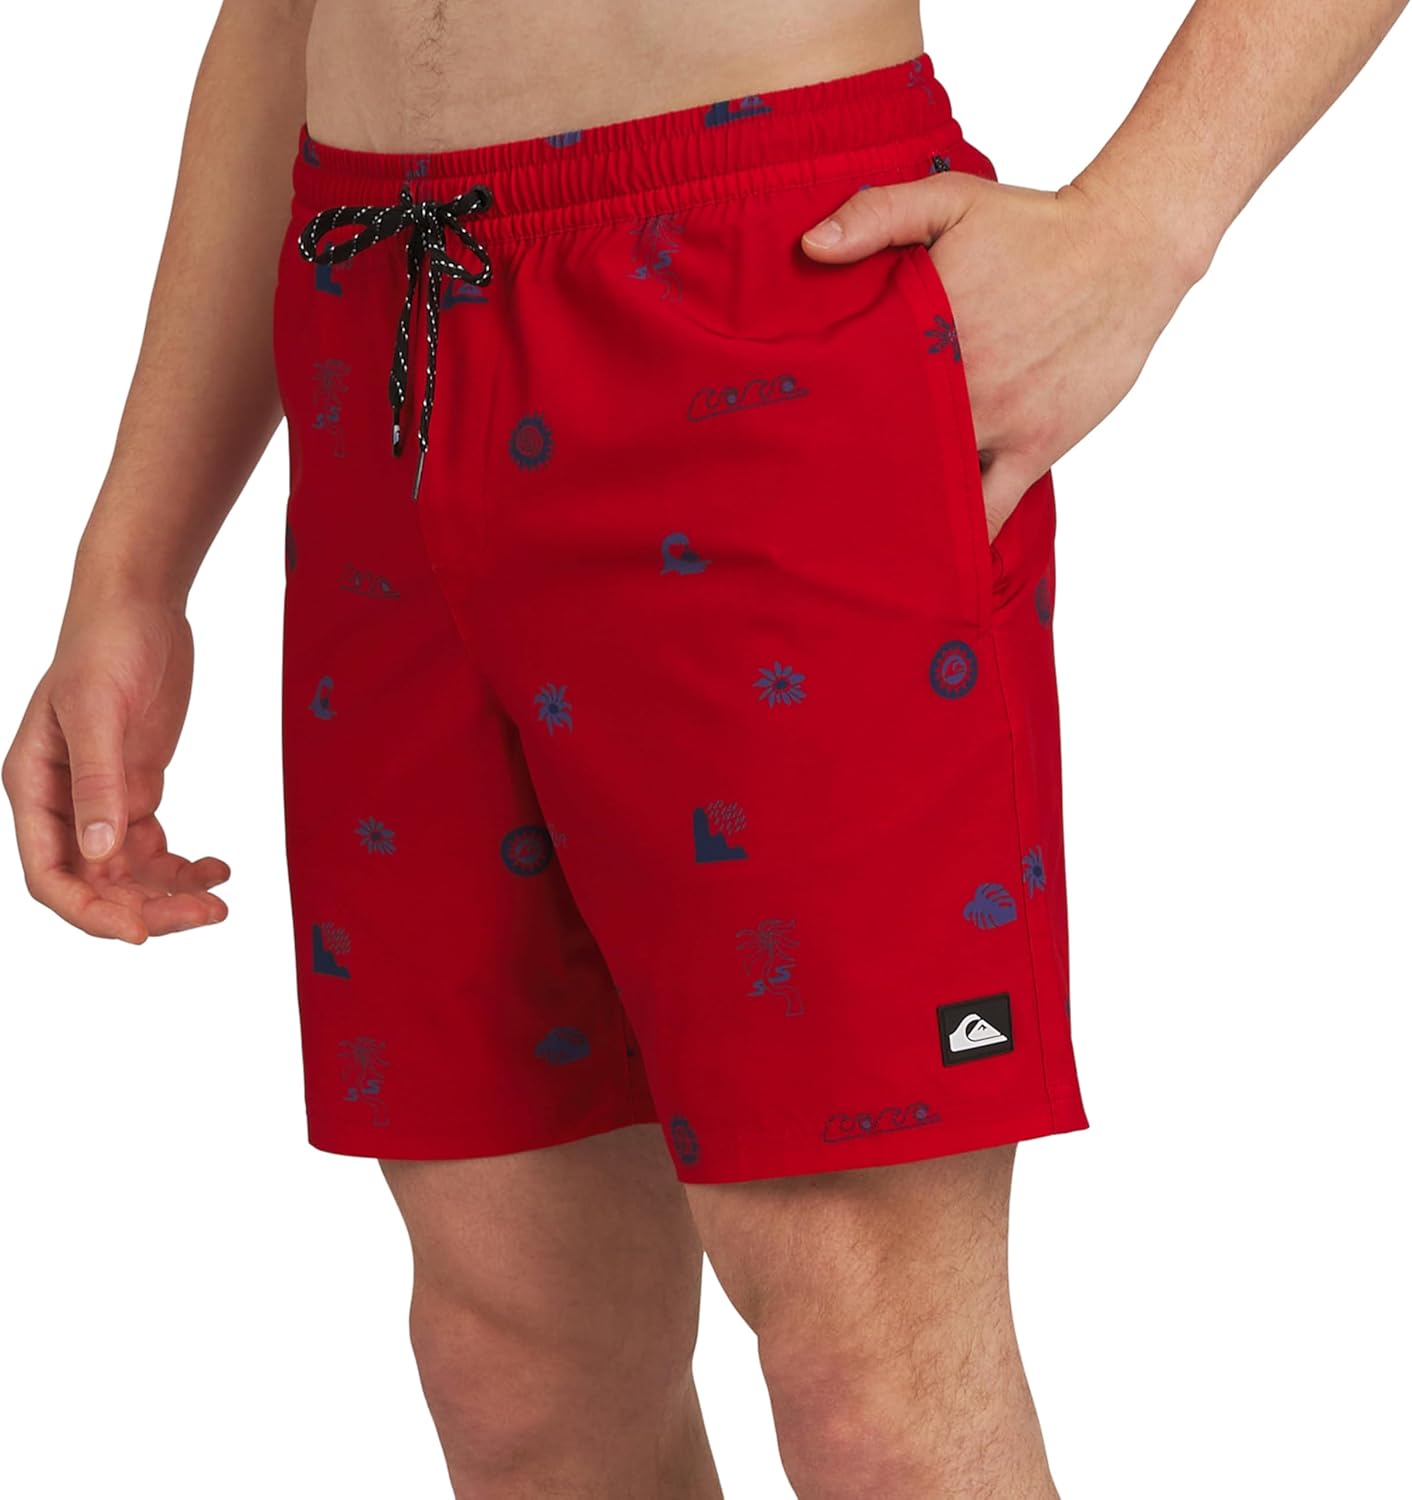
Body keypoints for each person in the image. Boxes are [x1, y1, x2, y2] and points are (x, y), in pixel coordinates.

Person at [4, 1, 1404, 1494]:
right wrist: (133, 564)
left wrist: (1147, 224)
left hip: (759, 290)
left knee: (871, 1379)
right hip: (377, 324)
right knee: (518, 1365)